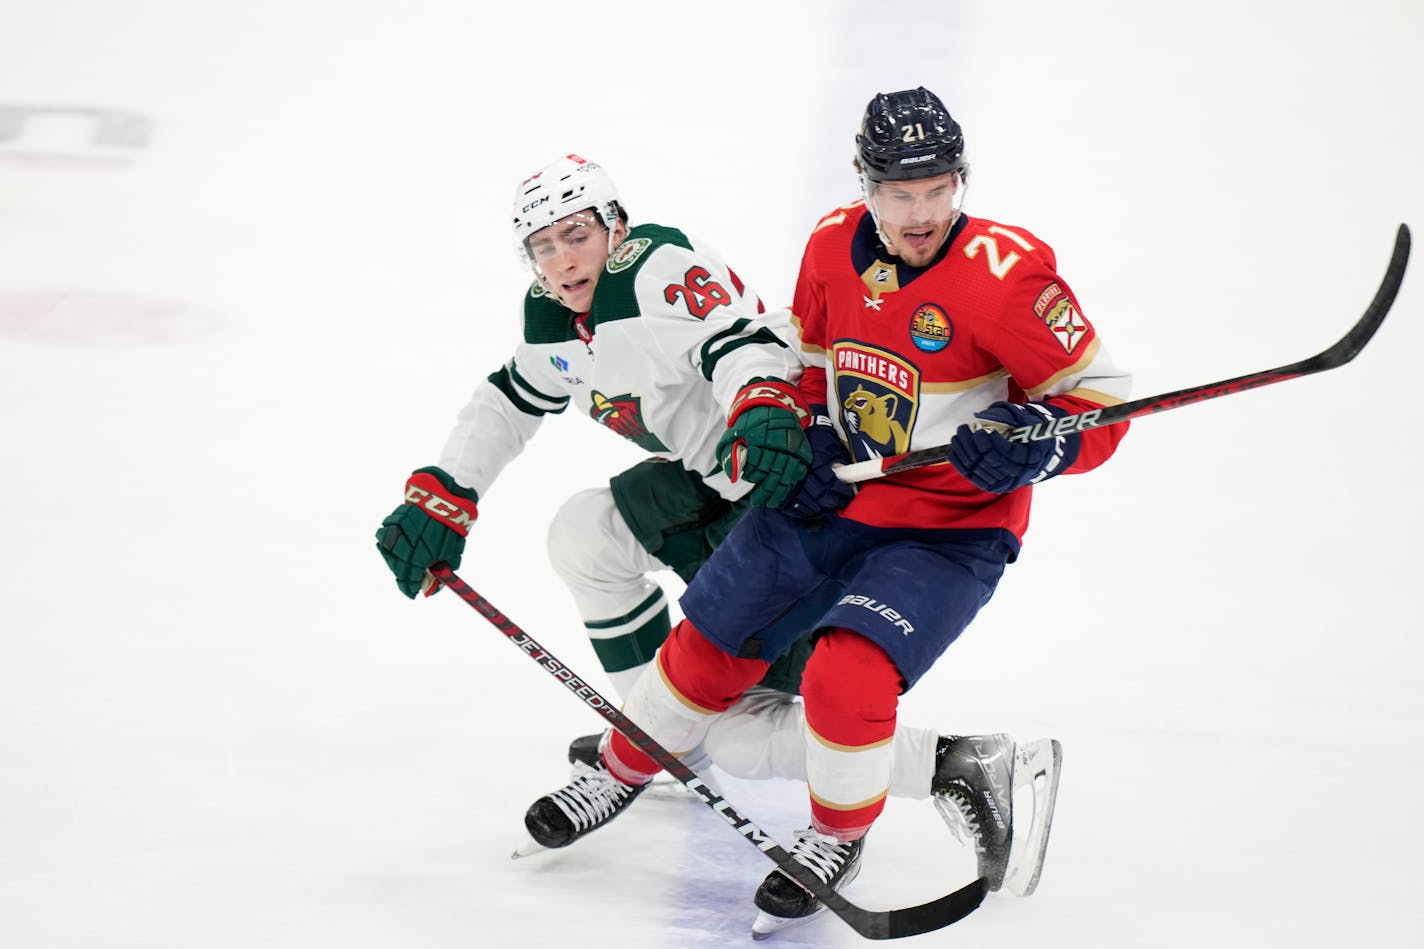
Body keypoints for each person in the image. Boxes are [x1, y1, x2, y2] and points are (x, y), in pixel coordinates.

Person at [525, 88, 1133, 937]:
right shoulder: (828, 247)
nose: (920, 211)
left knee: (842, 673)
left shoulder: (1010, 274)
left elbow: (1104, 406)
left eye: (937, 188)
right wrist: (808, 431)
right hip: (838, 491)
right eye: (898, 191)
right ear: (866, 184)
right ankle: (627, 766)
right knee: (704, 649)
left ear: (961, 180)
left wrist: (1039, 439)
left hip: (948, 528)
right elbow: (809, 362)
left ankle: (836, 833)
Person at [372, 154, 1026, 866]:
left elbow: (742, 344)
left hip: (795, 499)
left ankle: (952, 762)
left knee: (739, 734)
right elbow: (510, 395)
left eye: (578, 234)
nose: (563, 259)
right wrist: (447, 488)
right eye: (544, 245)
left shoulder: (655, 269)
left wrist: (765, 405)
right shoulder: (555, 319)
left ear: (616, 227)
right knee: (585, 533)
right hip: (715, 488)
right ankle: (650, 736)